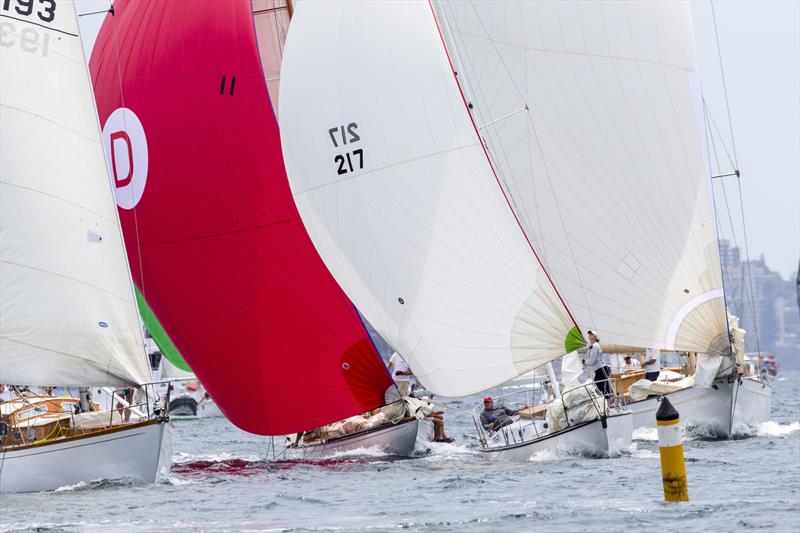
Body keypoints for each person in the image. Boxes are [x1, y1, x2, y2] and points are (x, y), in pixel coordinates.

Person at [584, 330, 611, 397]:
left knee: (600, 386)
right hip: (599, 370)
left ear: (595, 337)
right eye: (589, 334)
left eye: (591, 334)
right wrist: (585, 362)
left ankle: (608, 402)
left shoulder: (595, 346)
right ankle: (608, 402)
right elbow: (589, 358)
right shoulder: (592, 347)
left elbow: (592, 360)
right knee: (603, 387)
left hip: (602, 369)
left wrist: (585, 363)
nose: (590, 335)